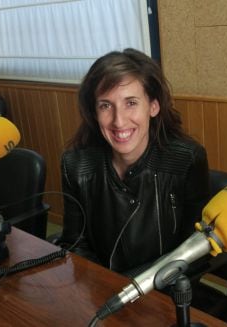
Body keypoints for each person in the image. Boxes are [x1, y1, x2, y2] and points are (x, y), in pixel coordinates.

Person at [57, 48, 210, 275]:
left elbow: (192, 253)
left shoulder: (186, 160)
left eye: (131, 103)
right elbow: (75, 244)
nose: (119, 121)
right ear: (94, 111)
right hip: (100, 292)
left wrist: (132, 290)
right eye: (106, 105)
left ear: (153, 106)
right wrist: (105, 289)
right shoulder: (75, 165)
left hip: (163, 294)